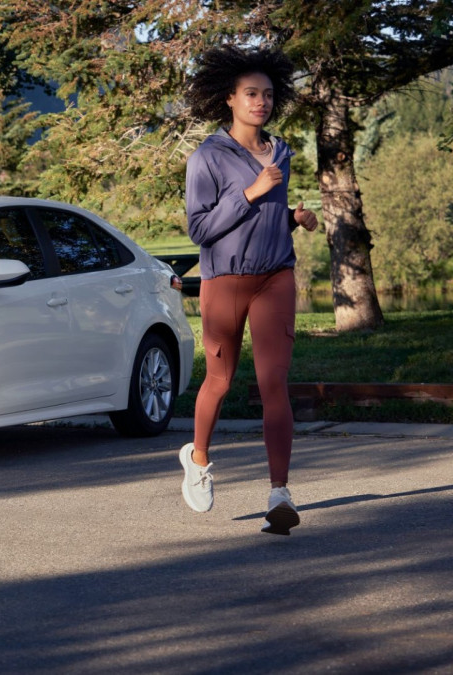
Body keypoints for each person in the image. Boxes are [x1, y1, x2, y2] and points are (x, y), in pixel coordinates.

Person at [178, 45, 319, 535]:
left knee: (273, 383)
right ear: (230, 99)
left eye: (268, 94)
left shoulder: (280, 151)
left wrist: (293, 217)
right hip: (225, 281)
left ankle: (280, 493)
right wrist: (250, 192)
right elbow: (200, 229)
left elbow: (266, 218)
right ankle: (198, 459)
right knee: (219, 380)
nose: (262, 102)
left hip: (275, 276)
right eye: (251, 94)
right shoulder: (207, 157)